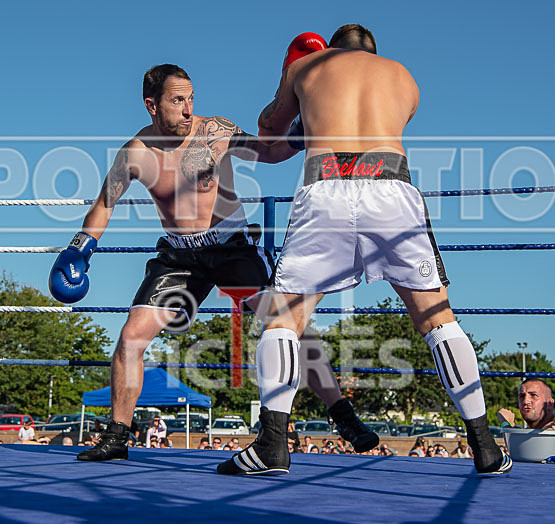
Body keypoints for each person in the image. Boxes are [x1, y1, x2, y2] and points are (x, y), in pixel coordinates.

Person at [218, 24, 511, 477]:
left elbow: (269, 129)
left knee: (284, 319)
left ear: (332, 48)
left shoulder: (307, 65)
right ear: (374, 53)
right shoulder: (404, 78)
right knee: (437, 318)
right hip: (391, 187)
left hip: (326, 184)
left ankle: (273, 445)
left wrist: (288, 74)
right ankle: (485, 446)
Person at [53, 63, 377, 462]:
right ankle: (117, 436)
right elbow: (105, 204)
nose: (188, 109)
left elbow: (269, 152)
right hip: (178, 255)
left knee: (284, 321)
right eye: (177, 101)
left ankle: (342, 414)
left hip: (231, 247)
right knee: (130, 337)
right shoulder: (135, 153)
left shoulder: (215, 132)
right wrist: (79, 249)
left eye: (191, 99)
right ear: (151, 105)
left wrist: (303, 128)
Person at [497, 378, 555, 457]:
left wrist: (505, 425)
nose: (525, 401)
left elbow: (528, 451)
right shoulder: (530, 431)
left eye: (534, 395)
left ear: (549, 404)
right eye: (522, 396)